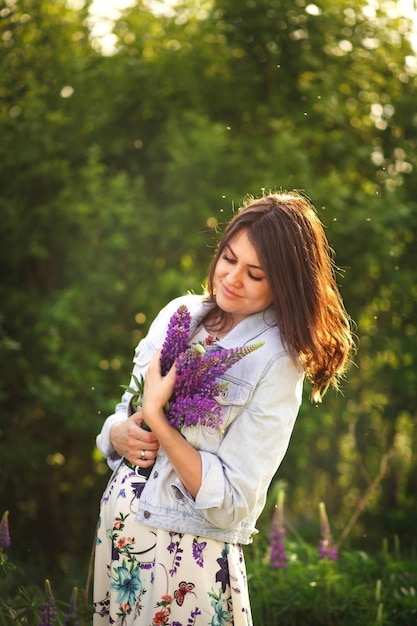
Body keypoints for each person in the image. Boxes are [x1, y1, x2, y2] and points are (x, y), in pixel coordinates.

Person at [93, 192, 354, 625]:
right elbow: (126, 412)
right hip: (118, 547)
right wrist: (117, 433)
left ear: (283, 283)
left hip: (183, 569)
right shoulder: (179, 314)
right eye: (228, 259)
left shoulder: (276, 361)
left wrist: (159, 419)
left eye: (254, 273)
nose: (232, 278)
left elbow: (233, 502)